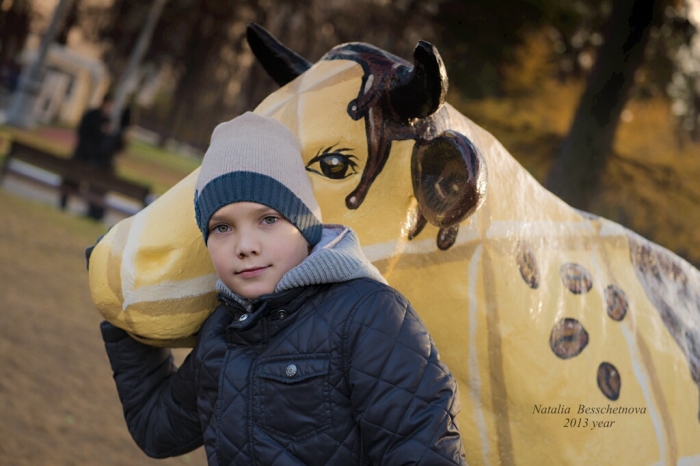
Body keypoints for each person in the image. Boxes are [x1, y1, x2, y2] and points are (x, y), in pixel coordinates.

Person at [98, 112, 467, 465]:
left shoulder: (371, 316)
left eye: (269, 219)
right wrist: (117, 298)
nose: (245, 245)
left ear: (305, 225)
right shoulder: (221, 331)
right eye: (222, 227)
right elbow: (157, 431)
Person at [60, 94, 130, 220]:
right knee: (88, 181)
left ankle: (91, 211)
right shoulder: (98, 119)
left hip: (84, 158)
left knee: (78, 179)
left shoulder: (99, 118)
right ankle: (92, 211)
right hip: (87, 158)